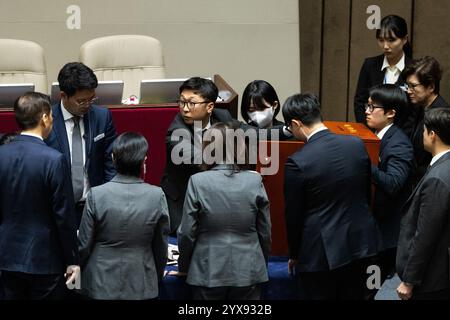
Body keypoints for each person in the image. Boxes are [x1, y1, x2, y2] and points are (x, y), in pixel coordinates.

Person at [283, 93, 380, 300]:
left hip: (321, 254)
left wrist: (294, 254)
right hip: (362, 243)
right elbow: (365, 194)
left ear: (295, 123)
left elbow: (294, 215)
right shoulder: (355, 144)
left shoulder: (298, 161)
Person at [161, 76, 288, 233]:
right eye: (182, 102)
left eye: (191, 103)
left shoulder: (222, 117)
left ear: (210, 107)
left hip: (214, 196)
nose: (185, 109)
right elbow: (203, 161)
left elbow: (253, 133)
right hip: (182, 201)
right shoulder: (176, 132)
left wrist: (285, 131)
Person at [177, 122, 271, 300]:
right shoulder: (255, 181)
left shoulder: (197, 181)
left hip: (207, 269)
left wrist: (184, 267)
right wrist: (261, 264)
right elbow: (265, 231)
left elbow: (187, 232)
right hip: (248, 269)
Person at [0, 92, 79, 299]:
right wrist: (73, 259)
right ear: (44, 117)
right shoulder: (54, 159)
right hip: (45, 260)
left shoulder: (2, 155)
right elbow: (64, 215)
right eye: (51, 115)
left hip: (6, 257)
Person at [78, 132, 170, 300]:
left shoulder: (96, 195)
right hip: (141, 280)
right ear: (144, 161)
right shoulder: (157, 196)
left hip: (100, 281)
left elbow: (84, 245)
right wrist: (154, 276)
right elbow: (160, 247)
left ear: (113, 159)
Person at [45, 62, 117, 227]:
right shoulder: (46, 120)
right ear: (63, 96)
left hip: (94, 206)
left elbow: (110, 161)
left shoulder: (102, 116)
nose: (87, 105)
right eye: (81, 101)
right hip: (57, 209)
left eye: (91, 99)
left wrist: (108, 200)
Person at [364, 84, 414, 294]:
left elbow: (393, 183)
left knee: (372, 287)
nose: (366, 111)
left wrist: (364, 163)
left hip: (386, 234)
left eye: (372, 107)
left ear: (391, 113)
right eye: (367, 105)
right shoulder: (376, 135)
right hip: (374, 228)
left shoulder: (399, 144)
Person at [396, 107, 450, 300]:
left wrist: (409, 280)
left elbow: (425, 235)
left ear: (432, 134)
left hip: (431, 278)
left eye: (424, 130)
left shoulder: (437, 177)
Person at [354, 15, 412, 125]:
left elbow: (415, 110)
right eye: (381, 40)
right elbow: (360, 102)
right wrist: (367, 130)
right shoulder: (370, 65)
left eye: (391, 40)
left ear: (404, 39)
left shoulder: (413, 68)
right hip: (371, 132)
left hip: (401, 135)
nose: (385, 46)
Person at [401, 56, 449, 185]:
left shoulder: (442, 116)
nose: (408, 91)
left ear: (431, 87)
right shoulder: (418, 106)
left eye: (413, 86)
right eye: (407, 86)